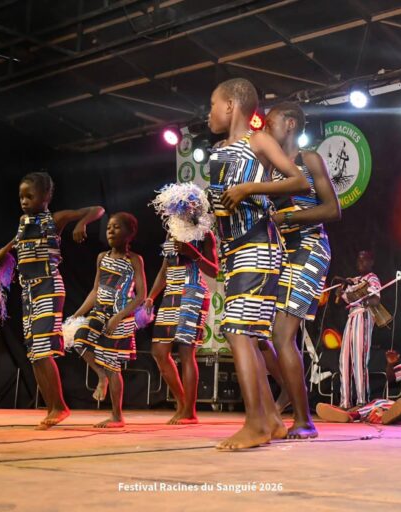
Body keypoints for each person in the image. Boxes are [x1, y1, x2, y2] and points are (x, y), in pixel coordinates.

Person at [207, 78, 309, 450]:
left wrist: (250, 189)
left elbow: (298, 182)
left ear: (232, 105)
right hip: (233, 250)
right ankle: (270, 420)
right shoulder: (218, 149)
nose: (209, 112)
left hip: (259, 244)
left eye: (213, 104)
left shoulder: (258, 141)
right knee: (245, 335)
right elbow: (222, 201)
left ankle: (255, 424)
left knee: (237, 332)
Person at [0, 171, 104, 429]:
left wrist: (82, 223)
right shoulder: (22, 222)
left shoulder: (55, 219)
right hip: (29, 291)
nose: (24, 201)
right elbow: (18, 239)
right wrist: (4, 251)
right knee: (34, 353)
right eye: (21, 196)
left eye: (30, 196)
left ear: (47, 196)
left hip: (49, 287)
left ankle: (60, 406)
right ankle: (52, 406)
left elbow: (97, 209)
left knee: (43, 350)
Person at [257, 102, 341, 439]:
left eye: (270, 121)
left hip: (308, 248)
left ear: (290, 123)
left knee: (282, 335)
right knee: (261, 337)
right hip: (278, 253)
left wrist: (286, 217)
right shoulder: (267, 167)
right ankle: (288, 398)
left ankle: (304, 421)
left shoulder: (309, 159)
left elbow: (333, 210)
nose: (264, 126)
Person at [71, 212, 146, 428]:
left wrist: (119, 316)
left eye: (116, 227)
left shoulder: (134, 260)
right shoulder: (101, 257)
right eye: (108, 228)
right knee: (79, 340)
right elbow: (96, 290)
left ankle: (117, 416)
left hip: (119, 316)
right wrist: (77, 314)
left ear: (130, 233)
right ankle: (100, 377)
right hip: (99, 312)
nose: (111, 231)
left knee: (113, 365)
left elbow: (140, 295)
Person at [147, 228, 218, 425]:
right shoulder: (171, 233)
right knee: (159, 351)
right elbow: (164, 270)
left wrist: (193, 254)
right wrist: (151, 297)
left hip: (193, 289)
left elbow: (214, 270)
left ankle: (189, 411)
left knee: (187, 352)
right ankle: (181, 403)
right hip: (171, 291)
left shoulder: (204, 234)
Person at [335, 250, 381, 409]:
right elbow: (340, 302)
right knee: (344, 358)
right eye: (358, 261)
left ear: (371, 262)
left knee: (359, 358)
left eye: (364, 260)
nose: (360, 263)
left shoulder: (372, 278)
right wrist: (341, 292)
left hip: (363, 315)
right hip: (351, 316)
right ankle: (345, 401)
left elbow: (375, 300)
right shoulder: (352, 280)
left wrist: (358, 291)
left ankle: (362, 401)